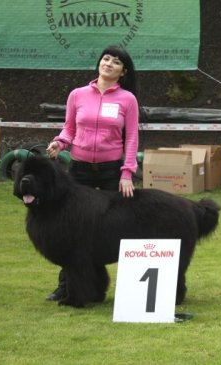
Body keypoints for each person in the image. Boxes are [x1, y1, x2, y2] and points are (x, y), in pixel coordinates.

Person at [45, 45, 140, 301]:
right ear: (99, 63)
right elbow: (69, 130)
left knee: (114, 227)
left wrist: (127, 172)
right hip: (79, 171)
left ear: (123, 72)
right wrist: (59, 143)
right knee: (71, 228)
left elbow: (131, 138)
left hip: (111, 172)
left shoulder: (127, 99)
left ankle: (124, 286)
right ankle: (66, 286)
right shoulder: (77, 95)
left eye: (116, 62)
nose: (108, 63)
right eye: (105, 59)